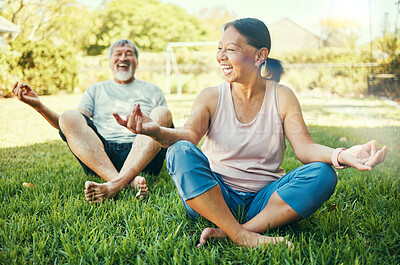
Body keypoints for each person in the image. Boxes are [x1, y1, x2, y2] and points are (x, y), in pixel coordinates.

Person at [97, 18, 387, 248]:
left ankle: (238, 232)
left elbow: (304, 148)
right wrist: (156, 131)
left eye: (231, 49)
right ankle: (241, 234)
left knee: (323, 174)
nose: (221, 56)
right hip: (213, 198)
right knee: (179, 152)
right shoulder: (211, 96)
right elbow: (188, 137)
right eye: (220, 48)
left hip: (266, 199)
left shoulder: (282, 96)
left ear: (260, 55)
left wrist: (342, 154)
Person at [12, 39, 173, 204]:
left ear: (137, 62)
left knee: (163, 113)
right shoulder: (95, 90)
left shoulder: (153, 90)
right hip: (102, 156)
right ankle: (125, 182)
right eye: (118, 54)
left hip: (143, 154)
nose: (123, 58)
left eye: (129, 54)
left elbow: (165, 129)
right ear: (110, 62)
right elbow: (69, 126)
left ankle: (115, 184)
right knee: (69, 116)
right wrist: (39, 106)